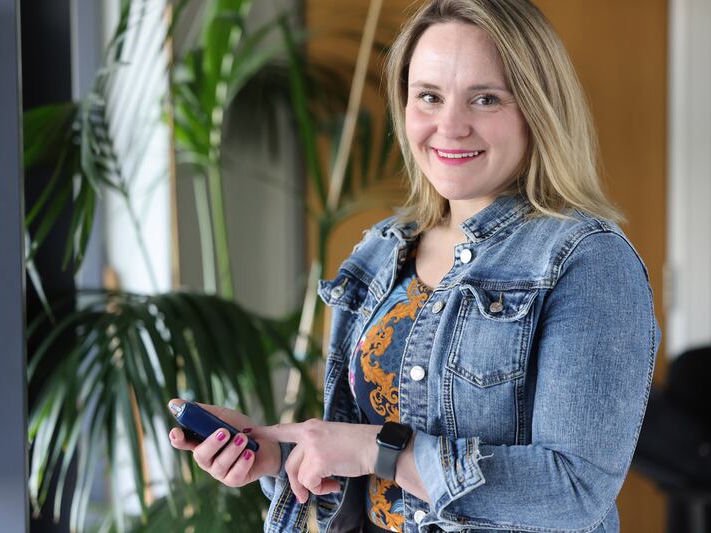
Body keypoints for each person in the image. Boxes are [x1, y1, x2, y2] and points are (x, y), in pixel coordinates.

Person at [167, 0, 660, 531]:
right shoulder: (382, 252)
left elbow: (574, 490)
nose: (450, 126)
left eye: (486, 99)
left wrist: (379, 452)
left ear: (538, 109)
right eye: (429, 96)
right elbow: (363, 470)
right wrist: (281, 458)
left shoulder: (587, 260)